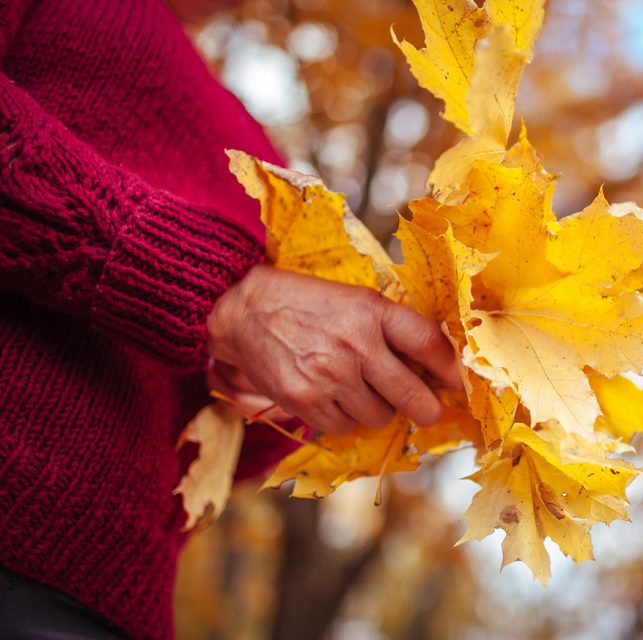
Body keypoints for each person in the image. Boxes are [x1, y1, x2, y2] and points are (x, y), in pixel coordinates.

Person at [0, 0, 461, 637]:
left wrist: (314, 387)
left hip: (119, 597)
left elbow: (217, 437)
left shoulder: (260, 147)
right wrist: (223, 295)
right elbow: (223, 302)